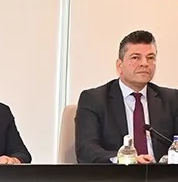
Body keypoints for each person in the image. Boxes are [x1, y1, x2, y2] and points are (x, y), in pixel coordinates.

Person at [75, 30, 178, 164]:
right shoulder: (94, 99)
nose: (145, 63)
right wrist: (125, 159)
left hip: (162, 175)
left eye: (150, 58)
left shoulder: (172, 99)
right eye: (135, 58)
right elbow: (86, 150)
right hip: (118, 175)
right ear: (120, 66)